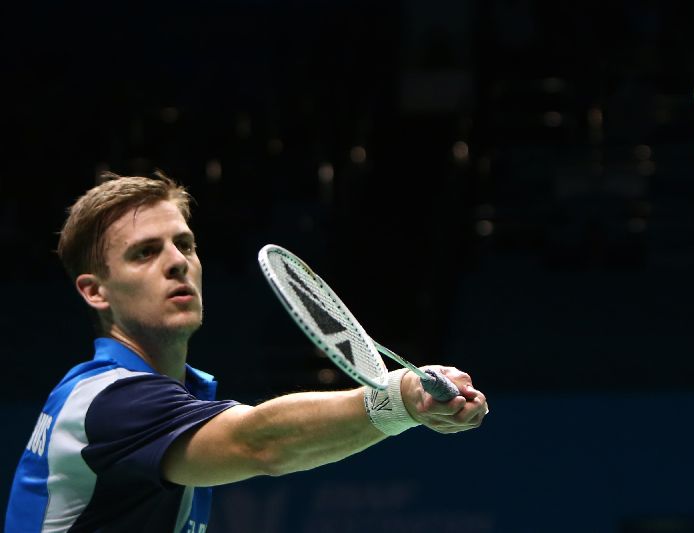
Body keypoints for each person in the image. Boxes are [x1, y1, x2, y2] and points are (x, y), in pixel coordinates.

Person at [4, 171, 489, 532]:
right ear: (96, 292)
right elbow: (261, 443)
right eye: (144, 252)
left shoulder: (162, 398)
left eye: (185, 245)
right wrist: (399, 398)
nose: (177, 262)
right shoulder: (108, 402)